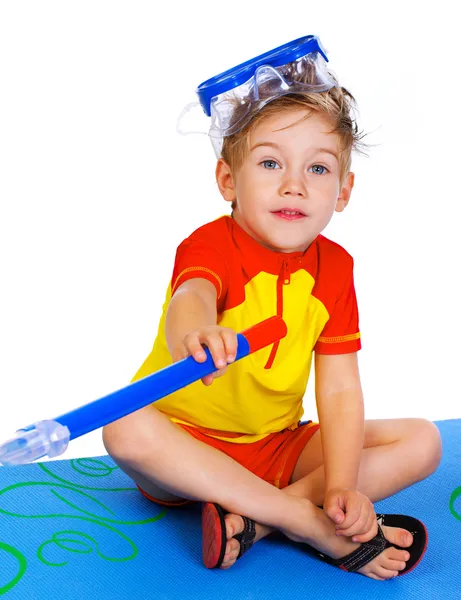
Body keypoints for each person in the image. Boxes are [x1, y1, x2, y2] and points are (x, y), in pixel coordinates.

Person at [102, 36, 441, 580]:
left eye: (318, 169)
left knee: (422, 440)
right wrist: (195, 334)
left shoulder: (336, 268)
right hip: (184, 444)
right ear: (227, 180)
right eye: (269, 163)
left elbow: (338, 387)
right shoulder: (211, 245)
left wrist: (342, 485)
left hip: (276, 448)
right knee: (122, 424)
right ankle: (303, 522)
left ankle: (259, 521)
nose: (294, 185)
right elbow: (191, 298)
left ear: (344, 190)